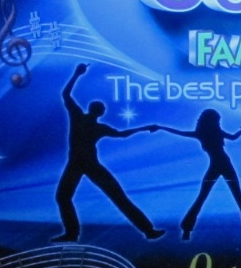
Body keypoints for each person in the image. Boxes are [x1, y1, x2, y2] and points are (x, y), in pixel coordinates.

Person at [52, 63, 163, 243]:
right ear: (100, 112)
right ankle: (148, 230)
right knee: (116, 197)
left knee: (66, 197)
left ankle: (72, 233)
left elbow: (66, 94)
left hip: (84, 164)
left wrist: (77, 74)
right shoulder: (90, 123)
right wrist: (144, 127)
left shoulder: (81, 118)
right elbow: (122, 134)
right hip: (84, 164)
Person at [147, 109, 241, 240]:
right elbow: (233, 137)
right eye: (217, 120)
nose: (218, 122)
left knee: (207, 197)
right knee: (231, 197)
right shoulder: (211, 132)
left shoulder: (204, 133)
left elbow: (180, 132)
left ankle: (187, 231)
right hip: (222, 165)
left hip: (221, 165)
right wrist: (161, 127)